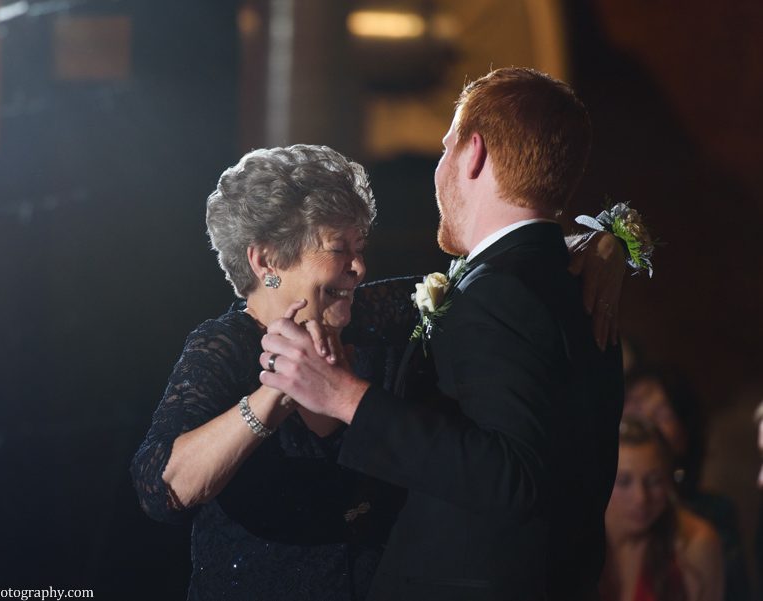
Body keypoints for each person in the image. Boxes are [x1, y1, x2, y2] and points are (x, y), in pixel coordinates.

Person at [131, 139, 625, 599]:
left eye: (360, 247)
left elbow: (488, 277)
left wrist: (602, 244)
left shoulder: (378, 320)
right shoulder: (221, 349)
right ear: (266, 261)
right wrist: (276, 394)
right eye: (338, 248)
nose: (360, 268)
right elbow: (162, 488)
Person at [260, 67, 624, 600]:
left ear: (473, 154)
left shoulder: (506, 289)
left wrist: (346, 398)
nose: (439, 167)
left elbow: (513, 473)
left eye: (446, 146)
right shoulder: (573, 282)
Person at [624, 367, 748, 601]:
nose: (648, 425)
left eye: (663, 415)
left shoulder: (711, 519)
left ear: (684, 434)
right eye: (636, 412)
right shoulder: (594, 512)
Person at [601, 417, 724, 601]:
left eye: (654, 481)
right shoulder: (575, 539)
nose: (641, 498)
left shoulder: (693, 543)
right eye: (624, 482)